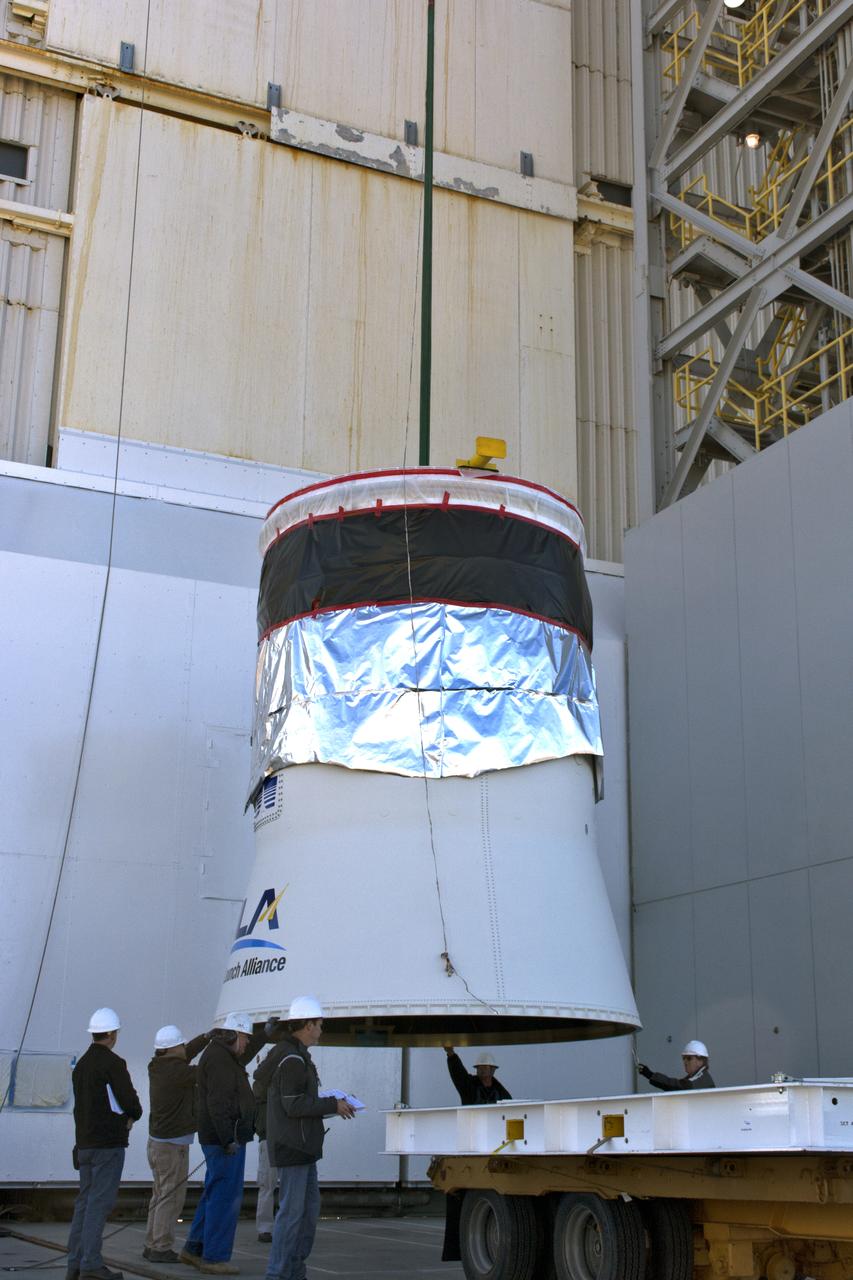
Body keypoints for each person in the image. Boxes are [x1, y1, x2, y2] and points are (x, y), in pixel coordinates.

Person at [264, 996, 355, 1280]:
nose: (321, 1029)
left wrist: (330, 1103)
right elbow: (293, 1104)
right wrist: (331, 1105)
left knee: (306, 1213)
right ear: (307, 1025)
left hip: (302, 1147)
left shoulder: (295, 1055)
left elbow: (299, 1101)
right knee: (292, 1215)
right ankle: (279, 1274)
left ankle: (293, 1271)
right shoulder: (292, 1059)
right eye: (319, 1024)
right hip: (294, 1147)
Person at [180, 1012, 267, 1275]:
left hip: (221, 1138)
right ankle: (214, 1256)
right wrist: (228, 1138)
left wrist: (266, 1034)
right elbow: (218, 1105)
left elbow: (246, 1055)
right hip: (224, 1140)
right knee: (225, 1197)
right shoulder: (219, 1061)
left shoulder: (223, 1055)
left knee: (213, 1191)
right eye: (245, 1037)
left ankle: (194, 1248)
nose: (246, 1044)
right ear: (231, 1035)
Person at [67, 1007, 143, 1280]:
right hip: (107, 1146)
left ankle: (74, 1263)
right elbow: (129, 1100)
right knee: (99, 1204)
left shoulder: (81, 1066)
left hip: (85, 1145)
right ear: (111, 1034)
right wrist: (133, 1115)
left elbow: (79, 1110)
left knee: (84, 1203)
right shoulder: (113, 1063)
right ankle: (91, 1264)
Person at [143, 1025, 207, 1263]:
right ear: (172, 1048)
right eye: (181, 1044)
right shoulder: (178, 1073)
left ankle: (151, 1243)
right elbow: (205, 1070)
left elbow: (186, 1052)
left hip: (158, 1144)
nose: (184, 1047)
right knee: (172, 1197)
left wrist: (206, 1037)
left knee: (160, 1194)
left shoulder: (158, 1066)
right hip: (172, 1146)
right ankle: (161, 1247)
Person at [251, 1022, 289, 1244]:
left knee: (267, 1184)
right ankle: (271, 1226)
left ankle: (266, 1227)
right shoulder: (268, 1082)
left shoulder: (261, 1082)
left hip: (268, 1136)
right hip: (276, 1135)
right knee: (275, 1184)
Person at [638, 1039, 716, 1091]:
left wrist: (650, 1075)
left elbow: (680, 1086)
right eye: (683, 1058)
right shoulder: (699, 1076)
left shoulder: (700, 1078)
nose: (685, 1062)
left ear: (700, 1061)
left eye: (689, 1058)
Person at [444, 1046, 512, 1105]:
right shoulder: (469, 1087)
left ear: (493, 1070)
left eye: (485, 1067)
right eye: (479, 1067)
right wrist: (451, 1053)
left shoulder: (501, 1093)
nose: (482, 1070)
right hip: (471, 1119)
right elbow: (458, 1073)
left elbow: (510, 1107)